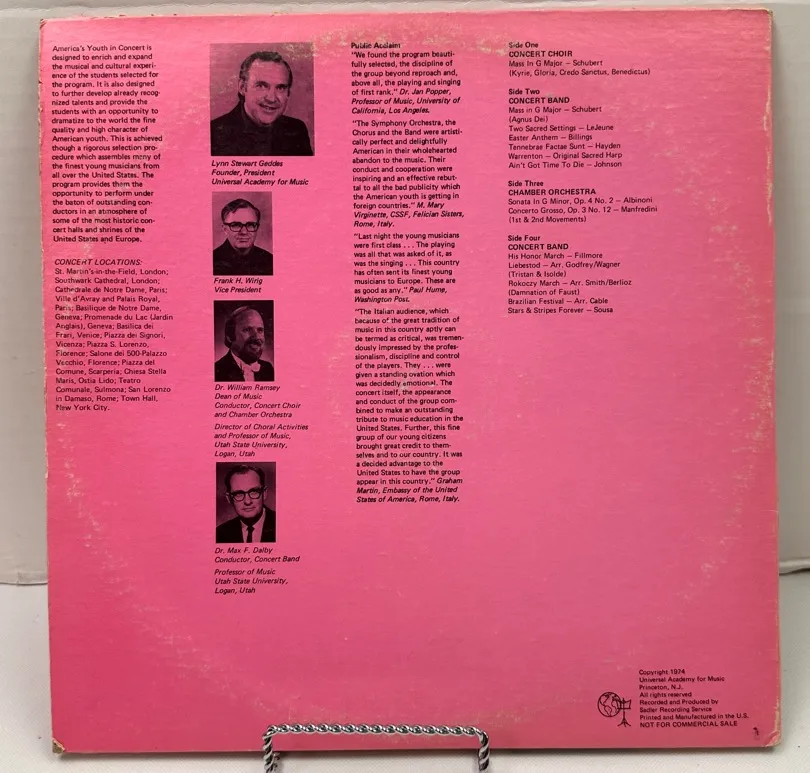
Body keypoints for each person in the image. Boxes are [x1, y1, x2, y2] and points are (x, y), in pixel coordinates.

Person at [211, 50, 313, 156]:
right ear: (242, 87)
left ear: (288, 93)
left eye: (280, 88)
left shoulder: (297, 130)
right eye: (261, 86)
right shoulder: (214, 134)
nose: (271, 98)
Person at [216, 465, 276, 543]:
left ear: (264, 493)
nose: (247, 501)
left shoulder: (283, 524)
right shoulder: (220, 534)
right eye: (239, 494)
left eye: (253, 491)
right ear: (229, 498)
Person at [213, 198, 273, 275]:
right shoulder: (211, 261)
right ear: (225, 229)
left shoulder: (270, 260)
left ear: (257, 228)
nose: (244, 232)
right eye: (236, 225)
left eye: (250, 225)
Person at [215, 305, 275, 382]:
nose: (256, 337)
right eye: (247, 330)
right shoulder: (217, 371)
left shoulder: (268, 369)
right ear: (230, 337)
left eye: (260, 330)